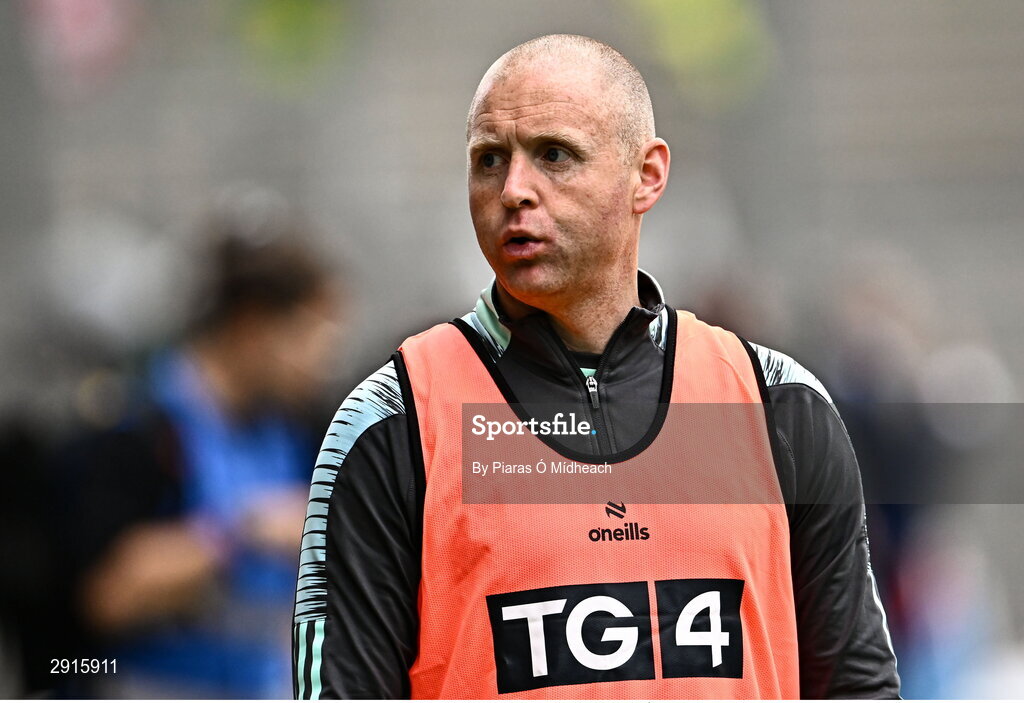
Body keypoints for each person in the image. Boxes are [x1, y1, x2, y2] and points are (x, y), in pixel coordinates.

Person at [293, 35, 899, 699]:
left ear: (647, 175)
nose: (514, 190)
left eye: (554, 155)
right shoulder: (392, 421)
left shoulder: (777, 404)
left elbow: (857, 684)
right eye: (489, 160)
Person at [65, 197, 343, 698]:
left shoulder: (301, 428)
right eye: (311, 334)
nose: (322, 359)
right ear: (253, 325)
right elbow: (109, 597)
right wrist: (244, 531)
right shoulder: (135, 431)